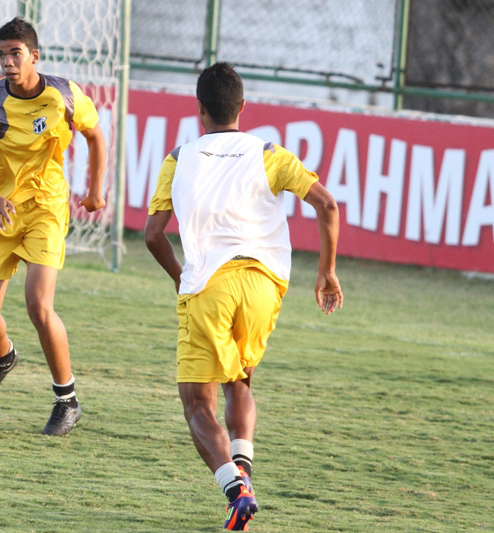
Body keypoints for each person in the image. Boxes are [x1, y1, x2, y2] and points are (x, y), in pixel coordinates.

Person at [144, 62, 343, 530]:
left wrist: (180, 277)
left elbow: (153, 235)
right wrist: (327, 271)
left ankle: (235, 493)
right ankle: (245, 473)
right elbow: (327, 205)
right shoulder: (269, 152)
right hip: (263, 284)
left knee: (196, 403)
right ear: (242, 108)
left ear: (199, 112)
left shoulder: (179, 157)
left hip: (209, 285)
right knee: (241, 379)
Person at [0, 17, 106, 436]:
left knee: (37, 304)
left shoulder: (64, 95)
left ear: (34, 56)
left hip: (46, 209)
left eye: (15, 54)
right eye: (1, 55)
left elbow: (96, 136)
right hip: (2, 213)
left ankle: (67, 401)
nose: (7, 62)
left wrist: (95, 191)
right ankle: (3, 357)